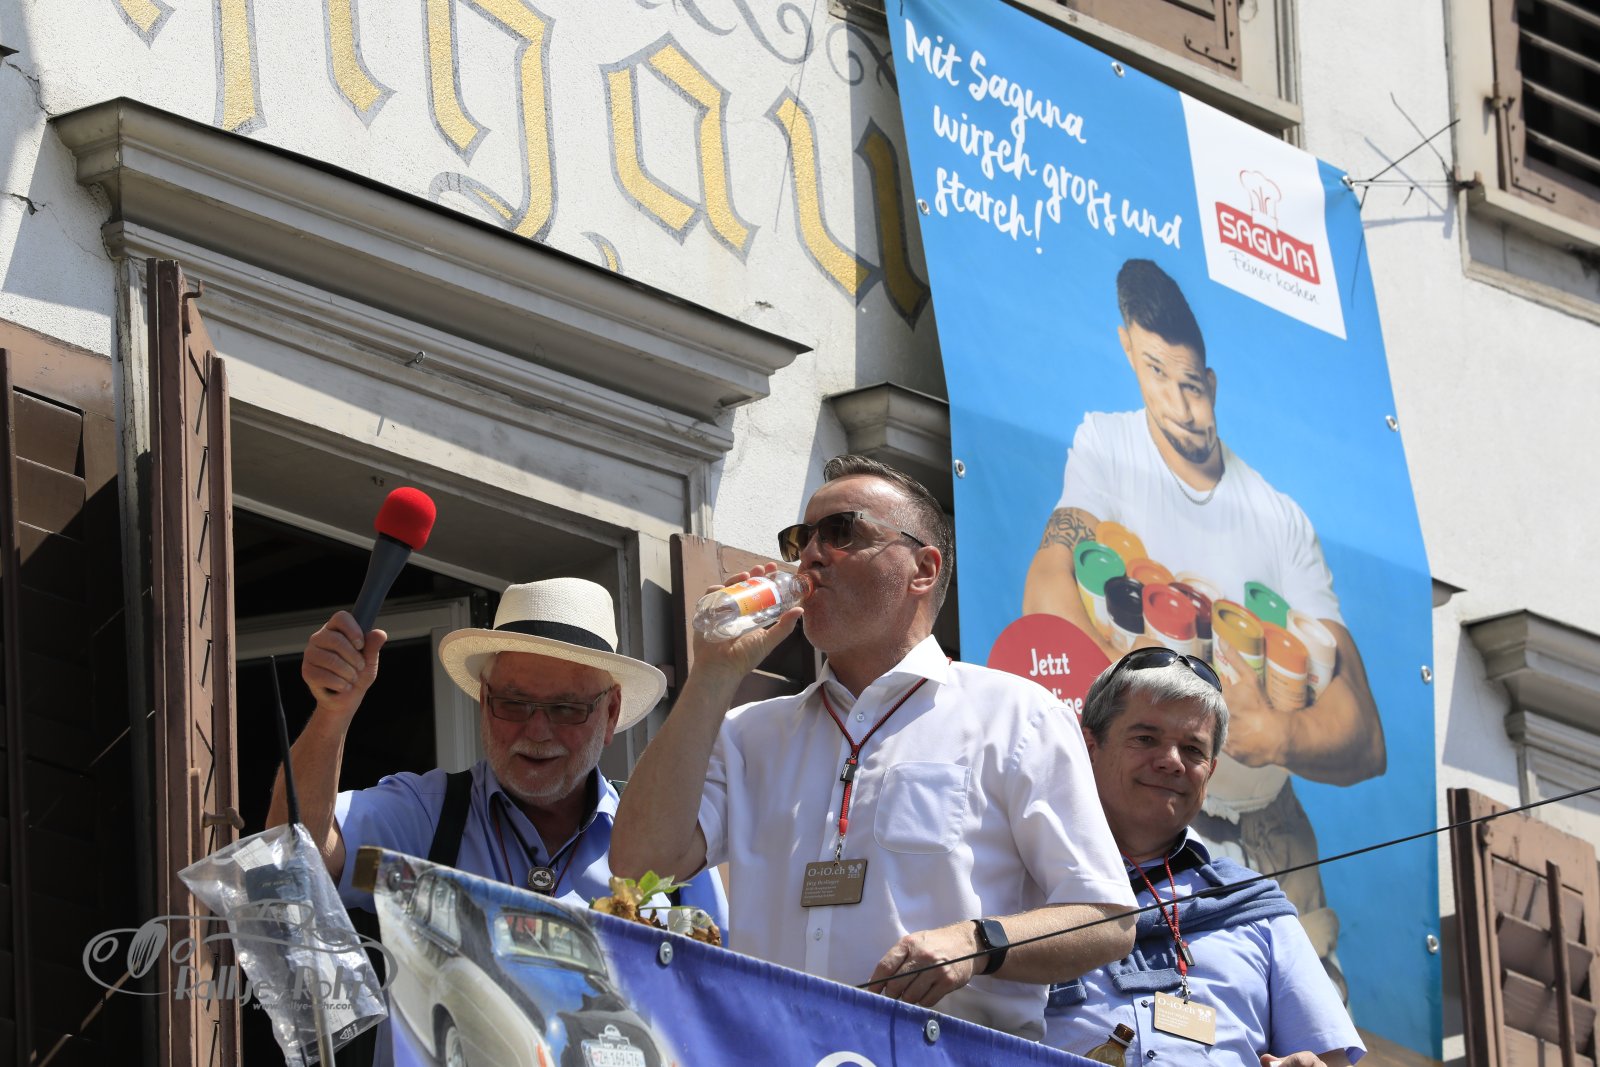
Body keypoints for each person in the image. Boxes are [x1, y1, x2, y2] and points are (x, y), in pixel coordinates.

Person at [612, 454, 1137, 1040]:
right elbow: (638, 867)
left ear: (923, 569)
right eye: (800, 539)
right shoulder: (748, 732)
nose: (810, 556)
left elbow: (1108, 919)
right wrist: (712, 674)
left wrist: (976, 943)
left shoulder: (1017, 716)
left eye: (841, 532)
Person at [1022, 257, 1384, 991]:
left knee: (1309, 1029)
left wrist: (1271, 734)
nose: (1180, 406)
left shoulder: (1279, 517)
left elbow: (1365, 734)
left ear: (1212, 383)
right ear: (1128, 350)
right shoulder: (1106, 444)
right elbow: (1048, 591)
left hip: (1267, 833)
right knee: (1122, 1023)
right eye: (1157, 374)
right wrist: (1145, 720)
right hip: (1127, 815)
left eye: (1191, 384)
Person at [268, 577, 728, 1064]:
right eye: (513, 702)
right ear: (484, 700)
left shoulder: (670, 846)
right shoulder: (426, 816)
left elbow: (719, 1019)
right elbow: (291, 854)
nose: (536, 730)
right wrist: (332, 715)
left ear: (610, 712)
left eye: (566, 708)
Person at [1045, 648, 1364, 1066]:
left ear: (1209, 773)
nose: (1171, 761)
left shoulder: (1256, 910)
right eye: (1146, 739)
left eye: (1193, 749)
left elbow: (1330, 1061)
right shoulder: (1025, 881)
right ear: (1090, 748)